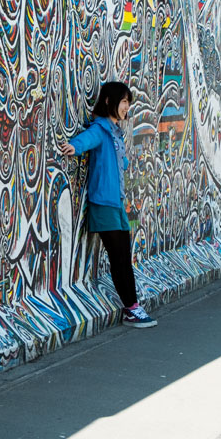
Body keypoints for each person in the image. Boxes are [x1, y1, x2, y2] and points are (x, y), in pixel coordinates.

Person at [59, 81, 157, 328]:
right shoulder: (101, 129)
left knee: (124, 256)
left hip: (116, 202)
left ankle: (133, 306)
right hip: (103, 204)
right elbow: (86, 139)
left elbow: (118, 162)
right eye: (123, 101)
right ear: (108, 101)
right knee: (118, 258)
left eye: (128, 103)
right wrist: (73, 147)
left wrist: (121, 163)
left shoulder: (115, 131)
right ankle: (131, 308)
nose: (126, 107)